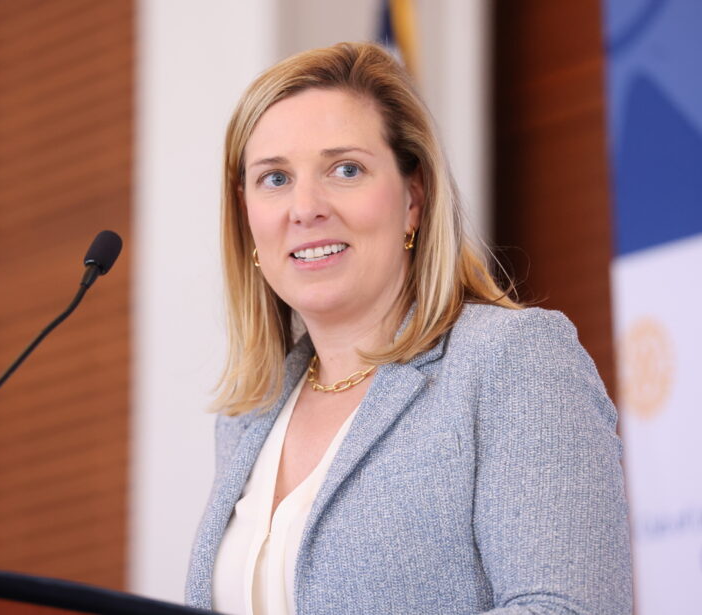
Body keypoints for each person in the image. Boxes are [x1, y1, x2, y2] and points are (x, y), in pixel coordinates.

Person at [186, 42, 631, 615]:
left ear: (414, 197)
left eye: (346, 169)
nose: (305, 207)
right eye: (274, 178)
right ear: (245, 213)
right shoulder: (247, 418)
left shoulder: (512, 361)